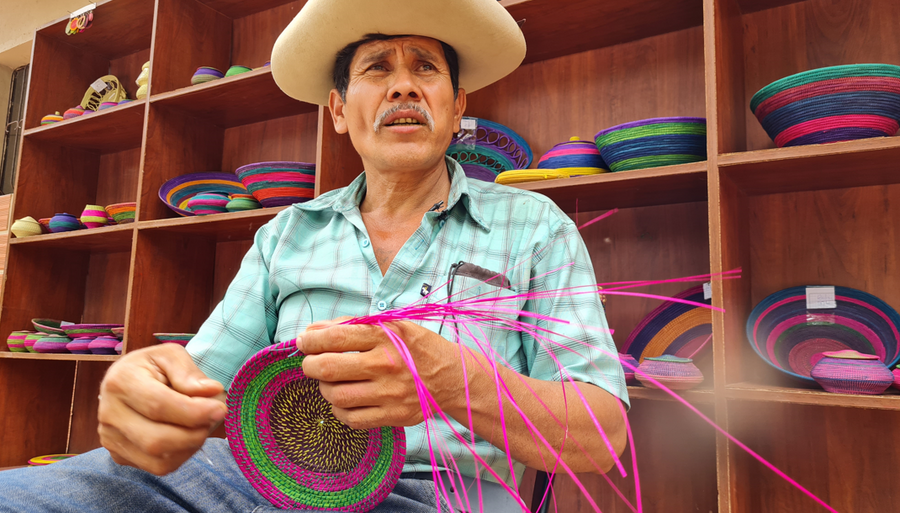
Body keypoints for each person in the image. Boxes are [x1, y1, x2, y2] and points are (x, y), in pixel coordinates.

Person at [0, 1, 628, 511]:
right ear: (337, 110)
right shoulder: (287, 233)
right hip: (262, 487)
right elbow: (203, 389)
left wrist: (452, 381)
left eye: (427, 68)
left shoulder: (534, 227)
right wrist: (149, 396)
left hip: (446, 497)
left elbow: (602, 433)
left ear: (457, 105)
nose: (404, 84)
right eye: (377, 68)